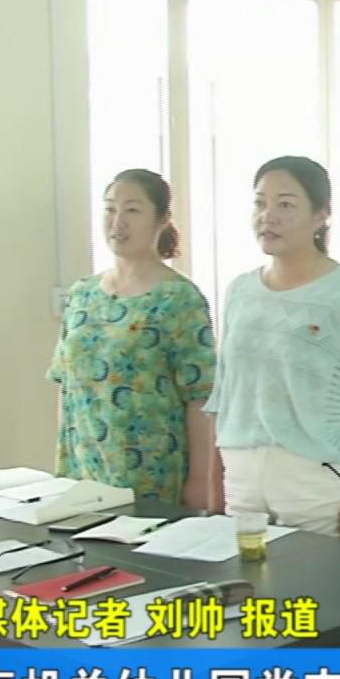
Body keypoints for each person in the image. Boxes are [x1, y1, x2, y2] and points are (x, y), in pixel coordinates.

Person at [208, 156, 340, 539]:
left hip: (314, 480)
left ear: (321, 215)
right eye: (260, 203)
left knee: (313, 578)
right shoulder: (239, 291)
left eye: (286, 204)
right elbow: (222, 398)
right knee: (242, 578)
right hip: (240, 476)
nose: (268, 216)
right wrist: (213, 483)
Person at [48, 169, 217, 509]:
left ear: (162, 219)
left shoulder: (179, 298)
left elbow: (201, 397)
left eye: (133, 210)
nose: (117, 222)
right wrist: (62, 469)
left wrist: (202, 480)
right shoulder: (82, 293)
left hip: (152, 474)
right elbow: (66, 385)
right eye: (110, 209)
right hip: (82, 471)